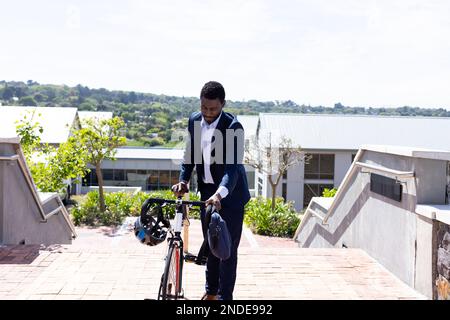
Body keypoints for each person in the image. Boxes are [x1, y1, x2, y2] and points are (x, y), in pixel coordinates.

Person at [172, 81, 251, 300]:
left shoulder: (234, 127)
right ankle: (211, 292)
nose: (208, 113)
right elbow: (190, 154)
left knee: (225, 250)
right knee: (211, 244)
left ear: (223, 104)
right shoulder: (194, 120)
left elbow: (232, 168)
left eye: (213, 109)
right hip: (207, 193)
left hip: (231, 196)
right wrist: (184, 180)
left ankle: (225, 298)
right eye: (204, 108)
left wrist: (220, 193)